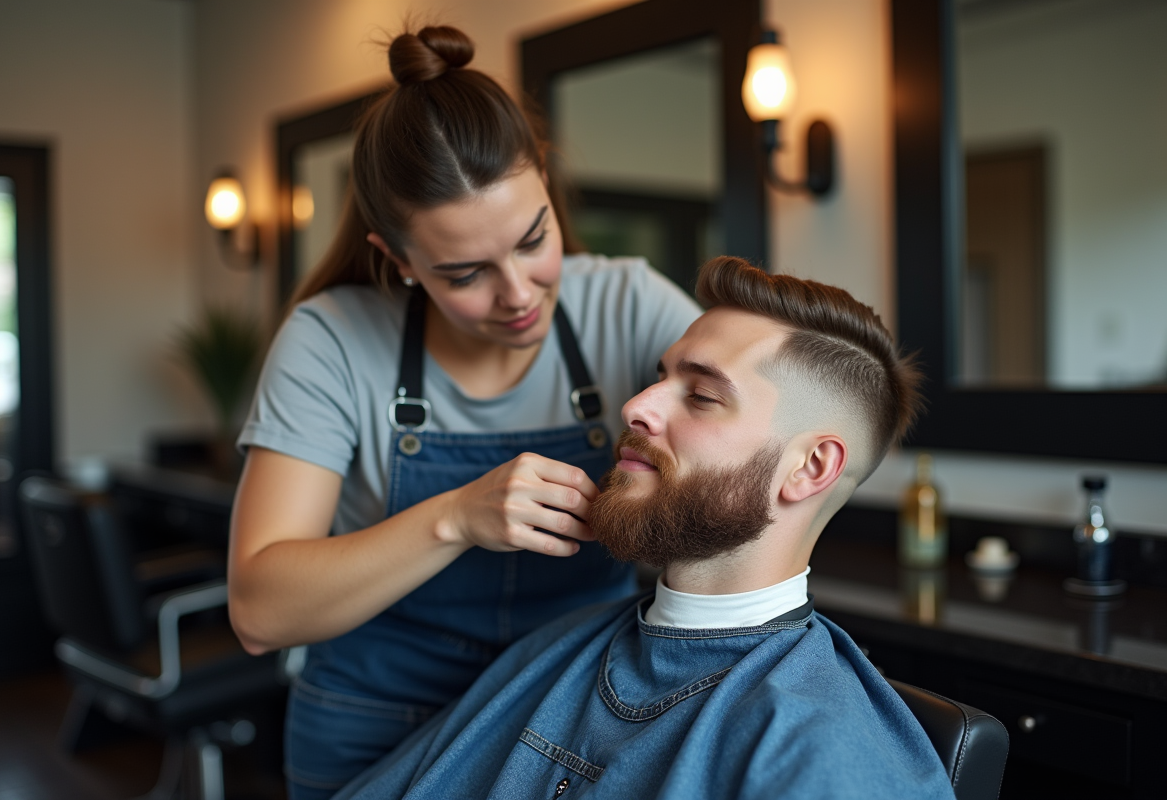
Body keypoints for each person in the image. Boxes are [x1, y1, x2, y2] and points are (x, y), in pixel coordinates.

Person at [226, 25, 700, 800]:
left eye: (533, 239)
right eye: (465, 273)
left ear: (544, 180)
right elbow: (259, 611)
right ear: (399, 259)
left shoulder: (628, 304)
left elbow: (762, 407)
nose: (517, 294)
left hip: (575, 716)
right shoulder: (331, 340)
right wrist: (455, 517)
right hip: (377, 723)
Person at [330, 256, 956, 800]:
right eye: (661, 377)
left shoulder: (822, 750)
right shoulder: (553, 650)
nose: (636, 406)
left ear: (810, 468)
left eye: (702, 396)